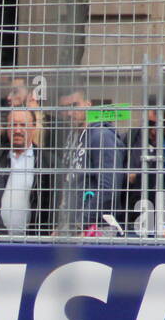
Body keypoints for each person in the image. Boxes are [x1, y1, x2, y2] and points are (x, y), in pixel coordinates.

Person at [51, 87, 124, 237]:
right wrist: (62, 226)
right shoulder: (73, 137)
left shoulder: (101, 136)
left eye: (74, 106)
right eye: (64, 108)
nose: (69, 113)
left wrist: (80, 225)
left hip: (98, 230)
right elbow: (69, 185)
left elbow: (107, 188)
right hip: (75, 229)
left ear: (88, 105)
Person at [0, 108, 53, 237]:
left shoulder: (47, 163)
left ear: (33, 127)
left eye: (23, 125)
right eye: (13, 125)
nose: (17, 130)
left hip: (34, 242)